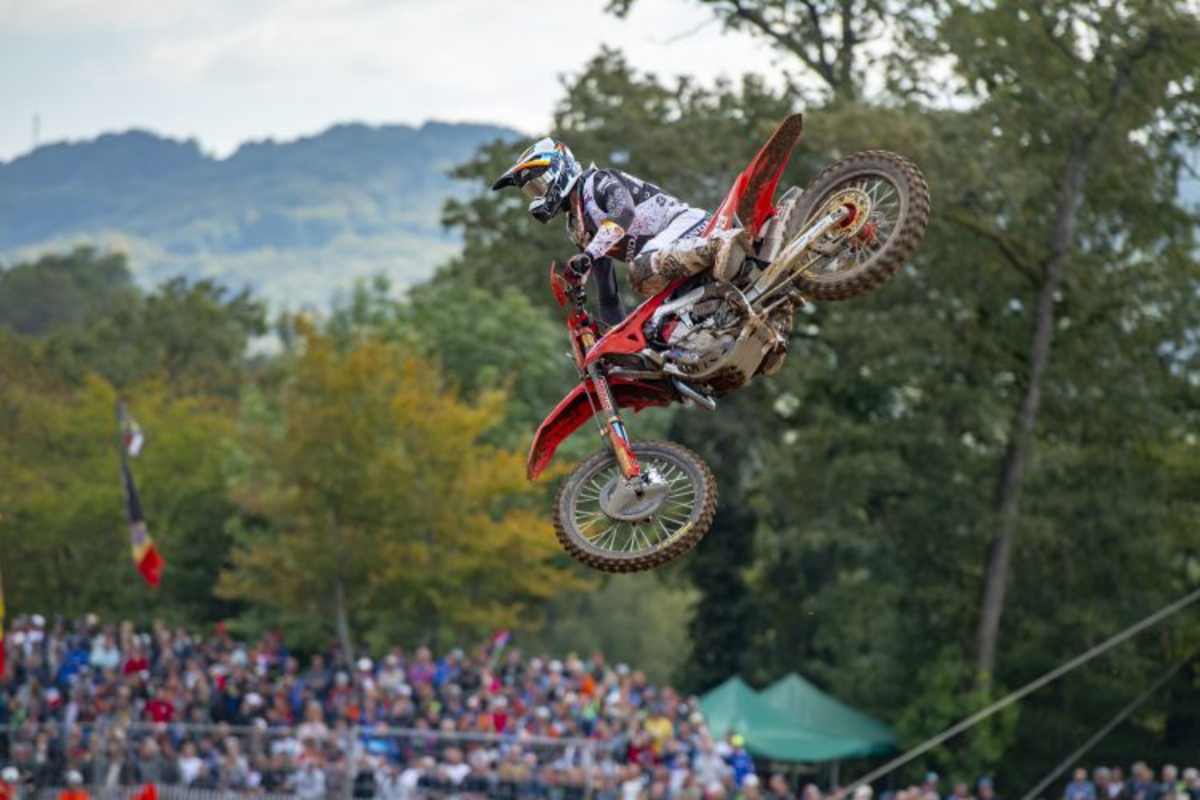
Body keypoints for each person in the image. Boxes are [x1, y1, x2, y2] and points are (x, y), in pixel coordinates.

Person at [492, 138, 749, 326]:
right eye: (531, 191)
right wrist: (615, 338)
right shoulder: (578, 227)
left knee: (641, 269)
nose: (537, 196)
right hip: (673, 262)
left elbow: (624, 214)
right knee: (660, 325)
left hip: (690, 226)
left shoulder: (597, 182)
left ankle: (719, 245)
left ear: (559, 170)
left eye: (539, 185)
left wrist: (589, 256)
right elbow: (608, 294)